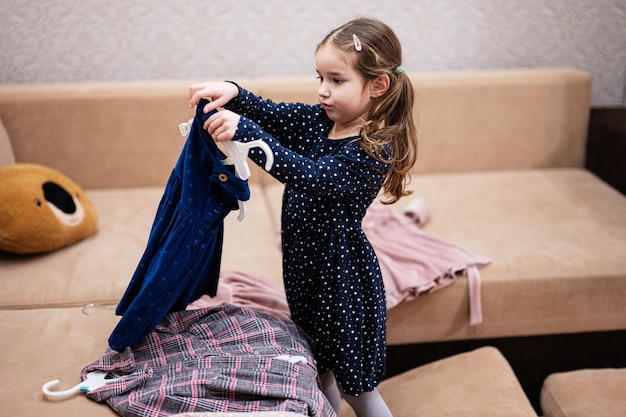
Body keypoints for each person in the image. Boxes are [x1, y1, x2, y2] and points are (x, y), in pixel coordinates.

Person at [189, 16, 417, 417]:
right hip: (304, 271)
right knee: (318, 372)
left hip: (342, 279)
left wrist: (249, 136)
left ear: (377, 85)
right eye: (320, 78)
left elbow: (314, 177)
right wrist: (234, 93)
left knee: (358, 391)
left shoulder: (373, 148)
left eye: (337, 80)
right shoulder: (320, 121)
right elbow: (273, 114)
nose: (323, 91)